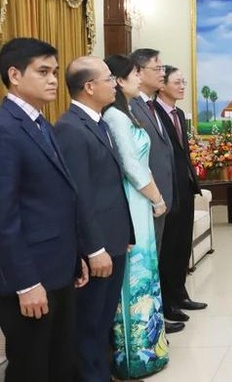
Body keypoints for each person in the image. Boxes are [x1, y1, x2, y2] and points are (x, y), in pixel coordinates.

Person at [0, 37, 88, 382]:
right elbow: (4, 216)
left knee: (60, 362)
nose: (53, 79)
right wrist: (25, 283)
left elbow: (56, 200)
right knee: (31, 368)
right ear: (15, 75)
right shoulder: (6, 130)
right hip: (29, 277)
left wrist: (75, 254)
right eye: (43, 71)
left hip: (57, 267)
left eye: (54, 71)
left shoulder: (40, 123)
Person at [53, 56, 135, 382]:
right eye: (108, 79)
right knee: (88, 324)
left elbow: (110, 186)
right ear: (89, 86)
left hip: (113, 238)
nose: (114, 84)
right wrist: (94, 248)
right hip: (97, 245)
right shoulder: (71, 129)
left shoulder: (98, 122)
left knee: (102, 322)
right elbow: (80, 196)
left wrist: (125, 233)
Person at [103, 54, 171, 379]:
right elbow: (132, 167)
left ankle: (151, 346)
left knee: (146, 272)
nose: (138, 79)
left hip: (140, 200)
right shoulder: (115, 117)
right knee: (134, 276)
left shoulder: (126, 113)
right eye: (133, 74)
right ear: (118, 80)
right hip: (132, 200)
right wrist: (157, 199)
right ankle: (134, 357)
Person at [128, 48, 183, 332]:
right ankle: (149, 324)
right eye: (157, 68)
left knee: (158, 260)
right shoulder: (129, 107)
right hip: (148, 199)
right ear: (138, 72)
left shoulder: (148, 104)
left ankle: (156, 319)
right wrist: (156, 196)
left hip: (163, 196)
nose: (162, 72)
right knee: (148, 265)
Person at [154, 65, 207, 320]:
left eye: (184, 82)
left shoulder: (179, 113)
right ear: (161, 85)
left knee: (182, 245)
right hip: (167, 189)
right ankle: (168, 303)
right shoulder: (154, 114)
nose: (182, 86)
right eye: (177, 82)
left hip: (184, 187)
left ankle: (181, 294)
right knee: (169, 247)